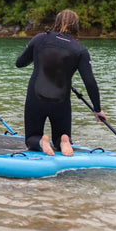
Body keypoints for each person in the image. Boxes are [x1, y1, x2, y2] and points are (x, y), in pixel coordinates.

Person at [15, 9, 107, 156]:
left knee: (32, 137)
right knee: (61, 134)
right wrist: (97, 109)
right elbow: (90, 82)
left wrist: (36, 55)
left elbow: (19, 63)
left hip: (36, 97)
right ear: (76, 26)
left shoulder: (39, 39)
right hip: (61, 100)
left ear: (56, 22)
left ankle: (41, 141)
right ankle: (64, 140)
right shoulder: (80, 50)